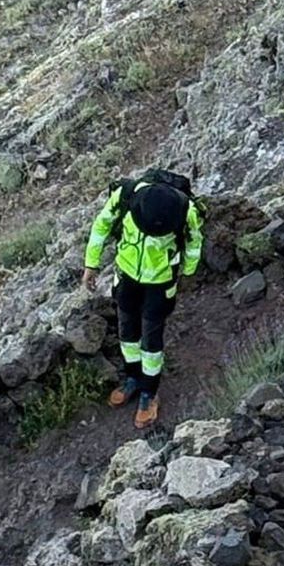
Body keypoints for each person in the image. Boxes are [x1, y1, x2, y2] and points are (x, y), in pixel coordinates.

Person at [81, 170, 203, 429]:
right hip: (126, 277)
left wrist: (188, 272)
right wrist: (91, 263)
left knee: (151, 339)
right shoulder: (124, 196)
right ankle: (132, 378)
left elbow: (194, 242)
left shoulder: (187, 210)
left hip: (160, 284)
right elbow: (101, 224)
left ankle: (149, 391)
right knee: (127, 331)